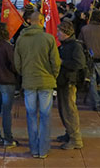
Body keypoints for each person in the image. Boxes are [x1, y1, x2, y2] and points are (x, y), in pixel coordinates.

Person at [15, 12, 61, 159]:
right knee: (45, 115)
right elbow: (55, 62)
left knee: (31, 115)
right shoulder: (48, 38)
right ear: (41, 21)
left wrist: (24, 73)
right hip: (46, 81)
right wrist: (53, 75)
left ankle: (34, 148)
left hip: (28, 81)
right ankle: (43, 149)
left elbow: (17, 63)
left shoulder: (21, 39)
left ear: (30, 21)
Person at [55, 21, 84, 150]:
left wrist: (63, 62)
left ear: (66, 33)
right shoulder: (65, 45)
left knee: (69, 110)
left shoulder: (74, 46)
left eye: (59, 31)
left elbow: (79, 63)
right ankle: (69, 133)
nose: (57, 34)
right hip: (63, 81)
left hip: (69, 82)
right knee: (63, 109)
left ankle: (75, 138)